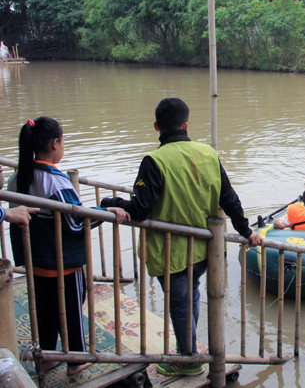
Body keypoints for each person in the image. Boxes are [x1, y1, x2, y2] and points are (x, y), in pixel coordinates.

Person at [100, 98, 262, 376]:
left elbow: (140, 209)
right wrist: (247, 232)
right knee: (192, 295)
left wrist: (111, 202)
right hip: (206, 249)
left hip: (171, 252)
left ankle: (187, 359)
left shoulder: (154, 161)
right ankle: (189, 351)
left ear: (156, 127)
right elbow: (230, 198)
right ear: (186, 125)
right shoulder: (209, 154)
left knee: (180, 303)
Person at [9, 117, 129, 376]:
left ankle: (48, 356)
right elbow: (75, 224)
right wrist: (104, 211)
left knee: (45, 310)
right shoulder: (57, 183)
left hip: (36, 261)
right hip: (62, 263)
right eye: (63, 141)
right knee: (71, 310)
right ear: (55, 144)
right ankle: (76, 360)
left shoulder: (18, 178)